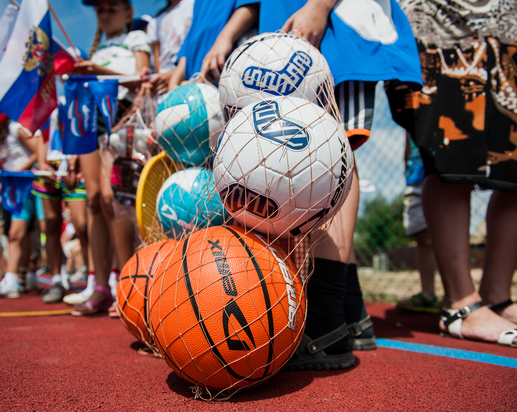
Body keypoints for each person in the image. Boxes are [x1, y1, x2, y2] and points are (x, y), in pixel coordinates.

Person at [201, 0, 423, 369]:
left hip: (330, 26)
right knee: (296, 161)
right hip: (281, 37)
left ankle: (325, 322)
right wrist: (229, 36)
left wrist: (320, 4)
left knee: (330, 151)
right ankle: (349, 313)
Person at [388, 0, 517, 346]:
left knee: (513, 169)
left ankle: (497, 295)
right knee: (449, 157)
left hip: (507, 23)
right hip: (442, 23)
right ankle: (461, 302)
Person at [71, 0, 151, 316]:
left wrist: (97, 72)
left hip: (121, 117)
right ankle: (100, 285)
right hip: (90, 121)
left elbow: (144, 79)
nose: (105, 14)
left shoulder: (136, 39)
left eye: (112, 8)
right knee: (93, 199)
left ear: (128, 13)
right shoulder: (95, 52)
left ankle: (127, 282)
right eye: (100, 9)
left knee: (113, 198)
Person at [31, 106, 91, 304]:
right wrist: (42, 164)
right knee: (50, 222)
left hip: (74, 165)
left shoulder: (75, 92)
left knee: (82, 226)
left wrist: (76, 157)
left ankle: (93, 280)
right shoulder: (46, 96)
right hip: (49, 166)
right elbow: (41, 134)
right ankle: (56, 279)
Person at [0, 121, 38, 298]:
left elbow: (38, 152)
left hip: (28, 187)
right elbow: (1, 170)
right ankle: (17, 278)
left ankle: (14, 279)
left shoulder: (15, 130)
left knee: (17, 234)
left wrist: (17, 172)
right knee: (16, 234)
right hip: (11, 192)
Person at [396, 134, 441, 313]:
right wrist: (407, 163)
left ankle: (456, 294)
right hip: (416, 170)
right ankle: (428, 293)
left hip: (438, 165)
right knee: (421, 235)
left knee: (443, 233)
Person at [143, 0, 194, 99]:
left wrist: (176, 75)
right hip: (166, 92)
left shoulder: (194, 4)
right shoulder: (155, 21)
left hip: (192, 81)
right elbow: (159, 66)